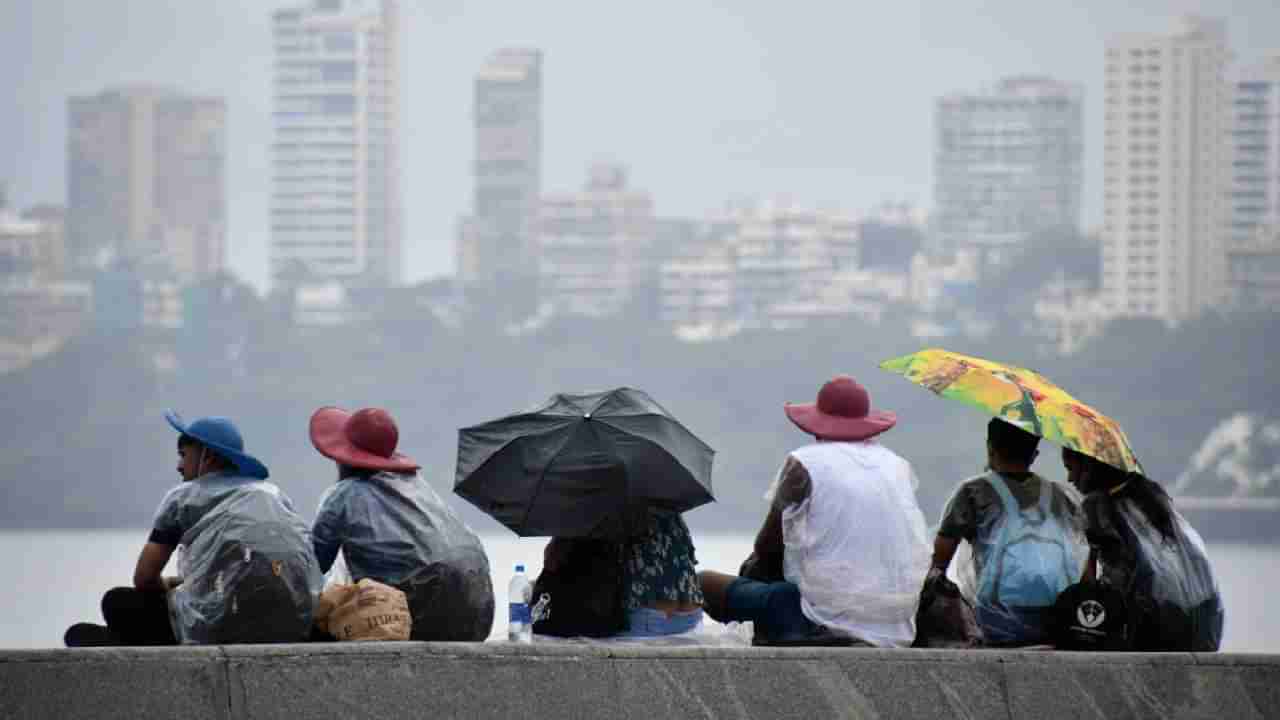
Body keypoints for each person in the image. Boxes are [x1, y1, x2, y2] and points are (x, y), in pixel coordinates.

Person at [699, 375, 931, 647]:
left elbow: (767, 549)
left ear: (817, 425)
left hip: (822, 620)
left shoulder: (804, 463)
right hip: (898, 625)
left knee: (702, 583)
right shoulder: (896, 465)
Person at [65, 412, 322, 646]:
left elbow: (143, 579)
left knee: (117, 601)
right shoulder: (275, 495)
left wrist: (168, 585)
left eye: (184, 455)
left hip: (213, 630)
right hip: (290, 626)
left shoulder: (182, 498)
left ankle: (122, 641)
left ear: (207, 456)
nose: (179, 465)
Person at [310, 406, 495, 641]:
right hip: (476, 615)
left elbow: (312, 567)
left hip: (406, 616)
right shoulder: (418, 486)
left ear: (343, 458)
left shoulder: (343, 495)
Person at [930, 418, 1086, 646]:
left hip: (998, 621)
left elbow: (939, 564)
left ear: (990, 447)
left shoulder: (973, 491)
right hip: (1059, 617)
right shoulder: (1061, 495)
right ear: (1034, 455)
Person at [1062, 447, 1224, 651]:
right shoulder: (1152, 494)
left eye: (1071, 468)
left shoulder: (1098, 507)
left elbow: (1107, 584)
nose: (1069, 478)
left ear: (1088, 468)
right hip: (1203, 629)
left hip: (1154, 633)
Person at [540, 509, 705, 639]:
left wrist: (559, 538)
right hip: (690, 619)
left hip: (646, 623)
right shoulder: (664, 498)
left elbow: (553, 561)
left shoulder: (593, 503)